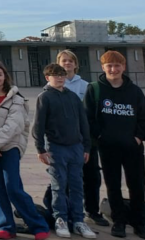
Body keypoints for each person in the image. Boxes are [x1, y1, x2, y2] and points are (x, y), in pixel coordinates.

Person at [83, 51, 145, 239]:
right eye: (109, 65)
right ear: (103, 67)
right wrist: (100, 137)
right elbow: (88, 118)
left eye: (117, 65)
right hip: (108, 148)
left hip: (133, 148)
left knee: (137, 185)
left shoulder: (134, 91)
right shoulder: (95, 89)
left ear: (123, 67)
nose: (113, 69)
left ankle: (139, 222)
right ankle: (119, 222)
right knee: (113, 185)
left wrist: (138, 138)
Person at [0, 61, 49, 240]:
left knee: (13, 187)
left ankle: (38, 225)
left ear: (5, 76)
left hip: (10, 147)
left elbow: (13, 126)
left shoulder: (17, 98)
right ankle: (6, 226)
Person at [43, 50, 107, 227]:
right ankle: (57, 211)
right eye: (64, 61)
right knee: (60, 178)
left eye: (71, 61)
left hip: (84, 139)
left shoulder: (86, 86)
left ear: (76, 64)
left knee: (91, 176)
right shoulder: (52, 88)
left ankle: (92, 211)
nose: (68, 63)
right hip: (61, 141)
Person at [33, 63, 94, 239]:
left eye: (62, 75)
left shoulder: (73, 97)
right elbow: (39, 125)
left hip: (76, 147)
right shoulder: (44, 97)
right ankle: (60, 218)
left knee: (76, 185)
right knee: (58, 185)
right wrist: (40, 148)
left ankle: (78, 220)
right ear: (47, 78)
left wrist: (86, 147)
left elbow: (83, 123)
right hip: (56, 147)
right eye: (55, 75)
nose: (60, 78)